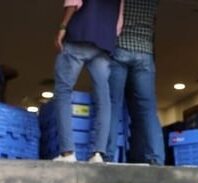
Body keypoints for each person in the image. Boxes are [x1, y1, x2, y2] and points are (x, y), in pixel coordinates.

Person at [52, 0, 122, 163]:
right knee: (103, 98)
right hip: (104, 43)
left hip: (79, 35)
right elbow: (118, 24)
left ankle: (68, 153)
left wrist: (62, 27)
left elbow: (74, 1)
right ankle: (97, 154)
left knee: (63, 92)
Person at [106, 0, 165, 165]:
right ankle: (157, 157)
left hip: (120, 48)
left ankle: (107, 155)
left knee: (113, 105)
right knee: (148, 110)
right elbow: (154, 20)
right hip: (145, 53)